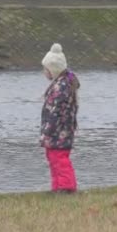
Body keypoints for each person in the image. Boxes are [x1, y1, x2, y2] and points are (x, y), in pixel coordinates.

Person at [40, 43, 80, 193]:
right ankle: (57, 187)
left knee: (60, 159)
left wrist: (48, 130)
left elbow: (55, 111)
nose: (44, 72)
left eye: (46, 69)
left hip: (58, 131)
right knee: (53, 159)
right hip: (59, 131)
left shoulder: (61, 86)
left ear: (53, 69)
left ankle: (67, 187)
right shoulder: (62, 83)